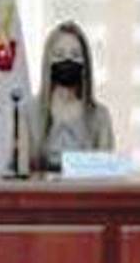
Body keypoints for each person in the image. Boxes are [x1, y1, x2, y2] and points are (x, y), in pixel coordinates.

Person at [16, 21, 114, 173]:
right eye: (59, 55)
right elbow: (21, 172)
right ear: (48, 62)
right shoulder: (27, 112)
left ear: (85, 63)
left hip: (85, 188)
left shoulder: (100, 116)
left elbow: (106, 173)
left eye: (75, 55)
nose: (67, 61)